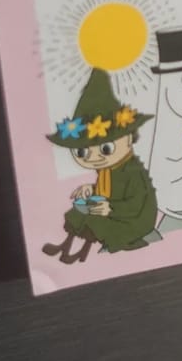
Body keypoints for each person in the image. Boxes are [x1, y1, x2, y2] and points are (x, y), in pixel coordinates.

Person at [42, 69, 157, 264]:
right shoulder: (108, 170)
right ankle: (66, 246)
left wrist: (110, 207)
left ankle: (82, 252)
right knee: (79, 212)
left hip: (133, 220)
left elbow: (137, 203)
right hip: (114, 210)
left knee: (95, 220)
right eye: (82, 152)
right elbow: (111, 190)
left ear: (128, 139)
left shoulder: (133, 172)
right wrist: (92, 188)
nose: (94, 158)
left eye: (105, 148)